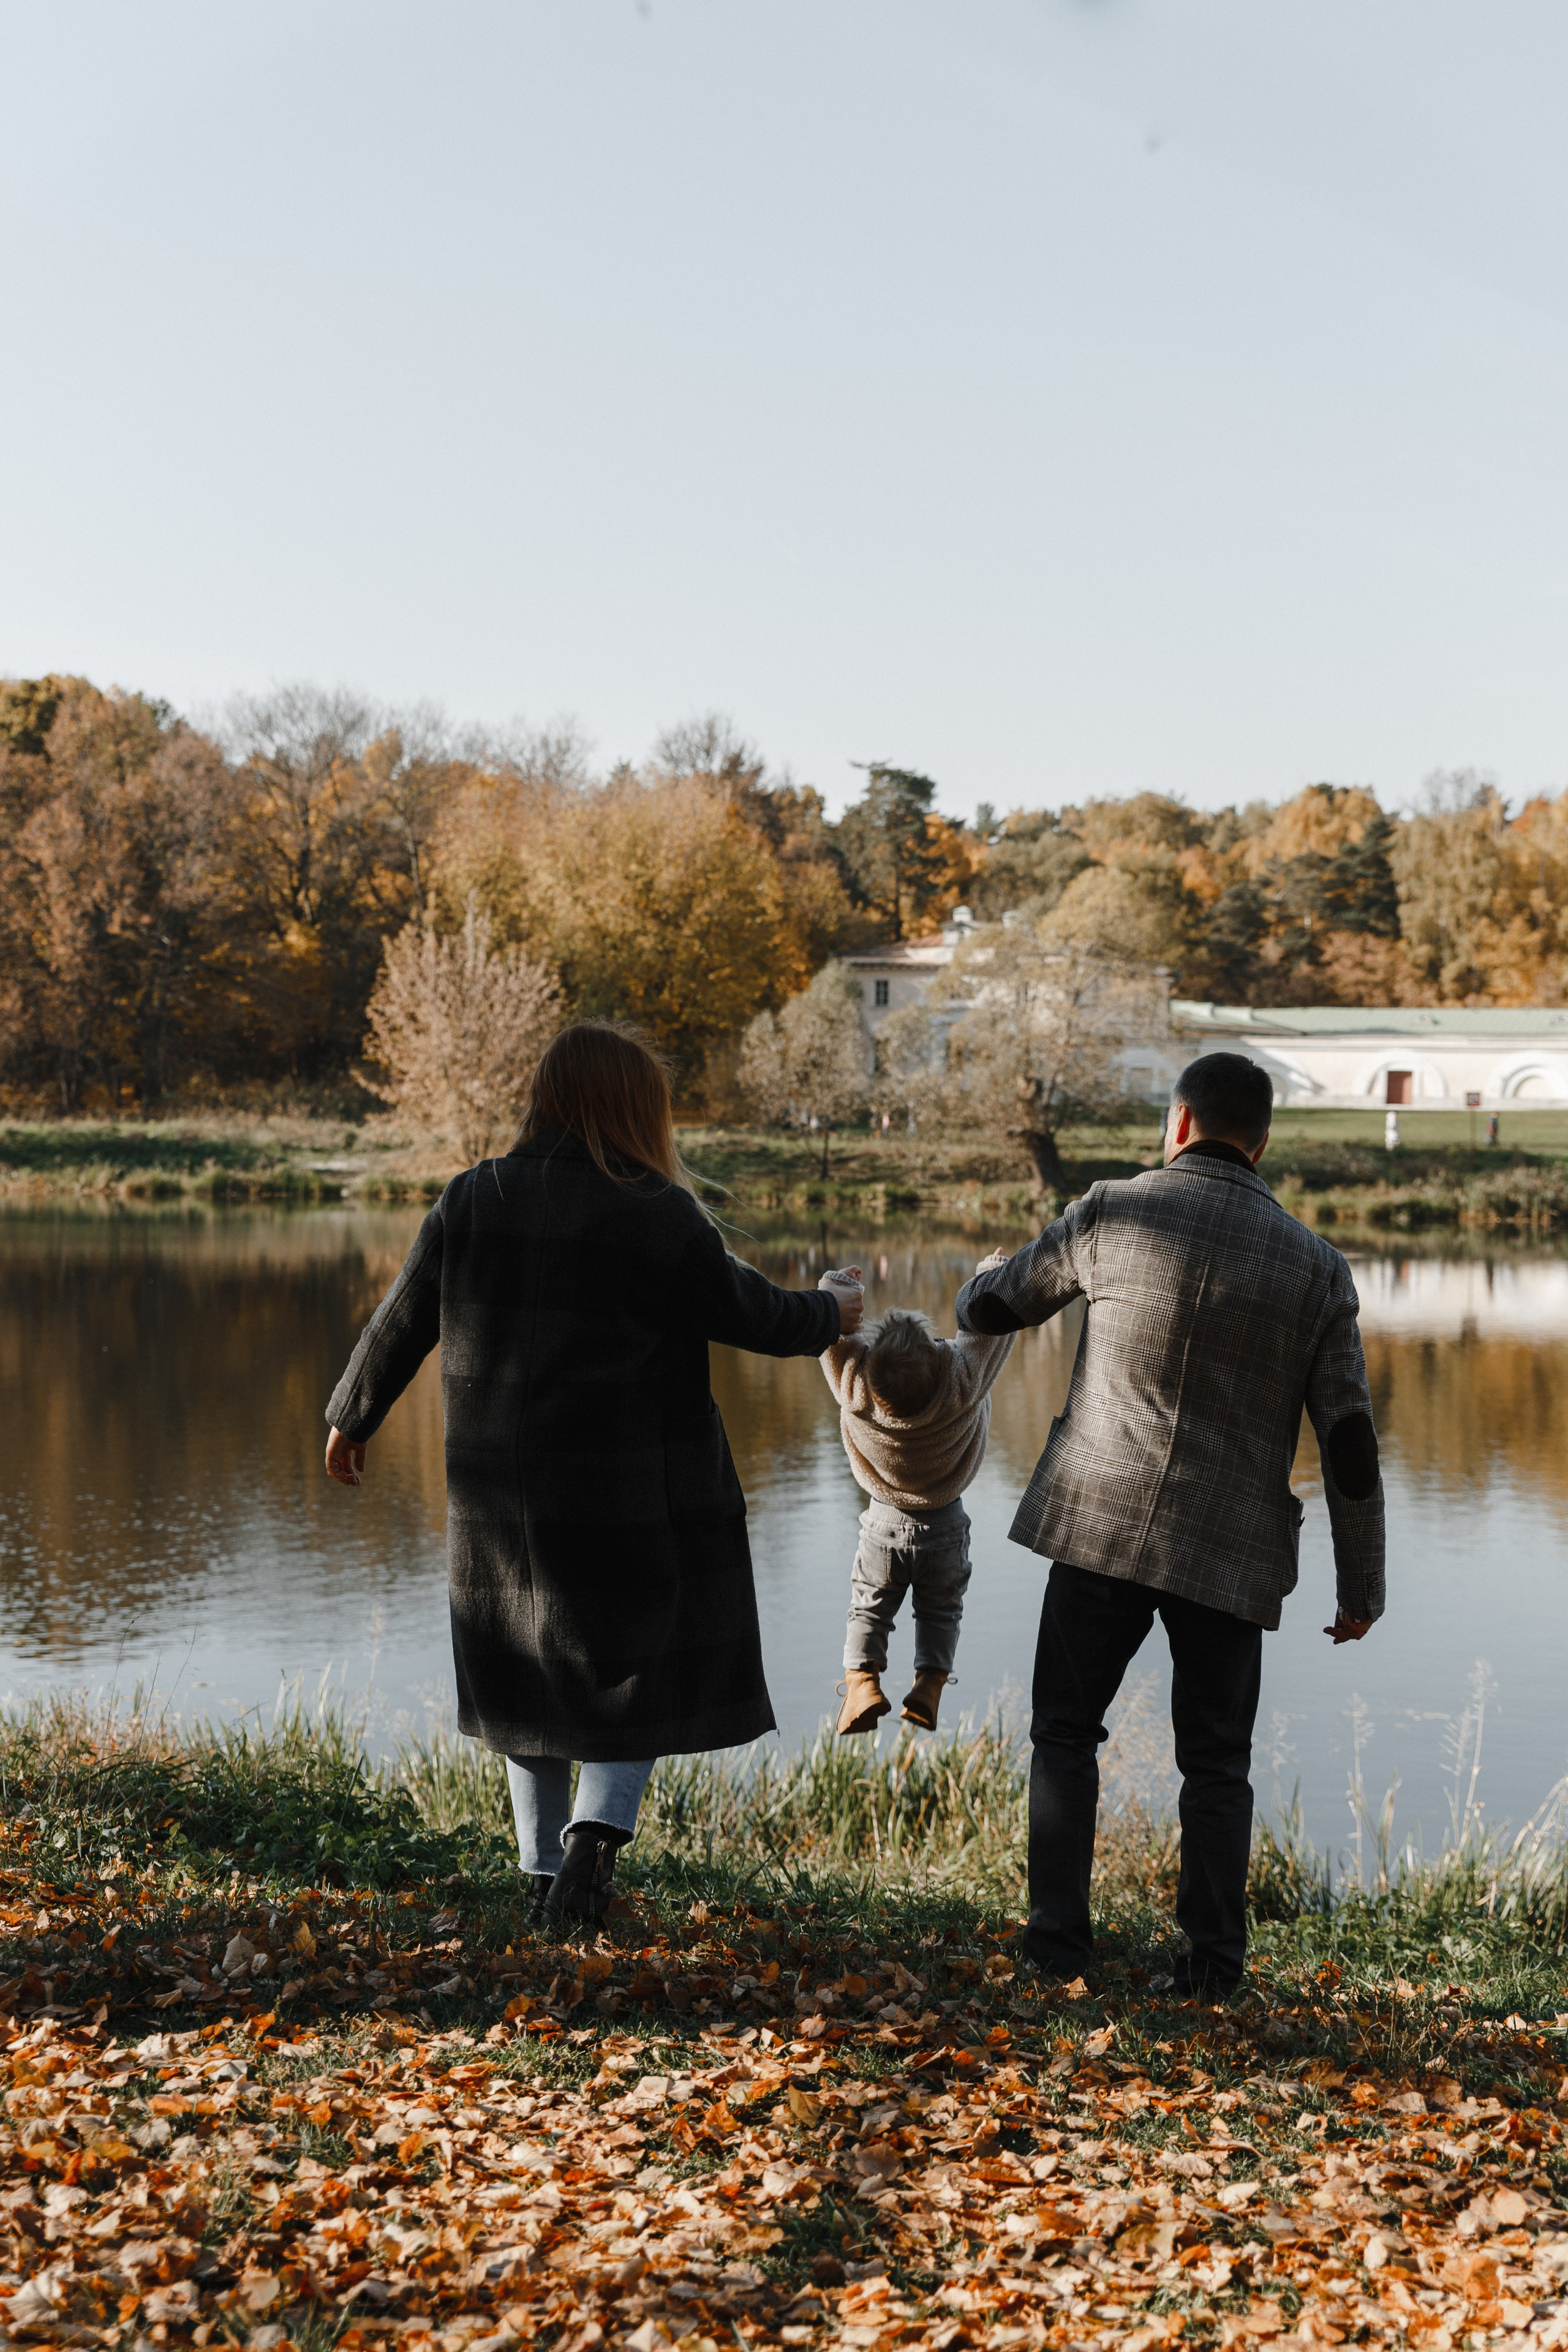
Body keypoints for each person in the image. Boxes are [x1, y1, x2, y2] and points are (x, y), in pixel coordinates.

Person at [323, 1021, 860, 1924]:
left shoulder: (472, 1196)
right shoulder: (655, 1212)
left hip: (501, 1496)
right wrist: (833, 1309)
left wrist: (351, 1414)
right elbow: (756, 1316)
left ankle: (543, 1879)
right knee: (635, 1668)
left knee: (520, 1668)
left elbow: (401, 1317)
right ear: (631, 1109)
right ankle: (591, 1846)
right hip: (629, 1494)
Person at [955, 1051, 1385, 1998]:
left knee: (1065, 1733)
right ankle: (1211, 1968)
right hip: (1230, 1548)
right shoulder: (1317, 1269)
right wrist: (1363, 1586)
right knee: (1216, 1764)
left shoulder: (1115, 1209)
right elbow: (1348, 1439)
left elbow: (1001, 1303)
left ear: (1179, 1123)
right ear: (1261, 1141)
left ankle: (1058, 1948)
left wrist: (968, 1291)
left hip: (1099, 1522)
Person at [817, 1255, 1015, 1736]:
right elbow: (986, 1334)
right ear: (940, 1357)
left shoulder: (857, 1389)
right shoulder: (961, 1383)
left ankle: (863, 1683)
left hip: (883, 1525)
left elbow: (832, 1339)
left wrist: (837, 1284)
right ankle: (928, 1686)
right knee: (941, 1609)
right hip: (945, 1526)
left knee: (869, 1605)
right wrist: (987, 1275)